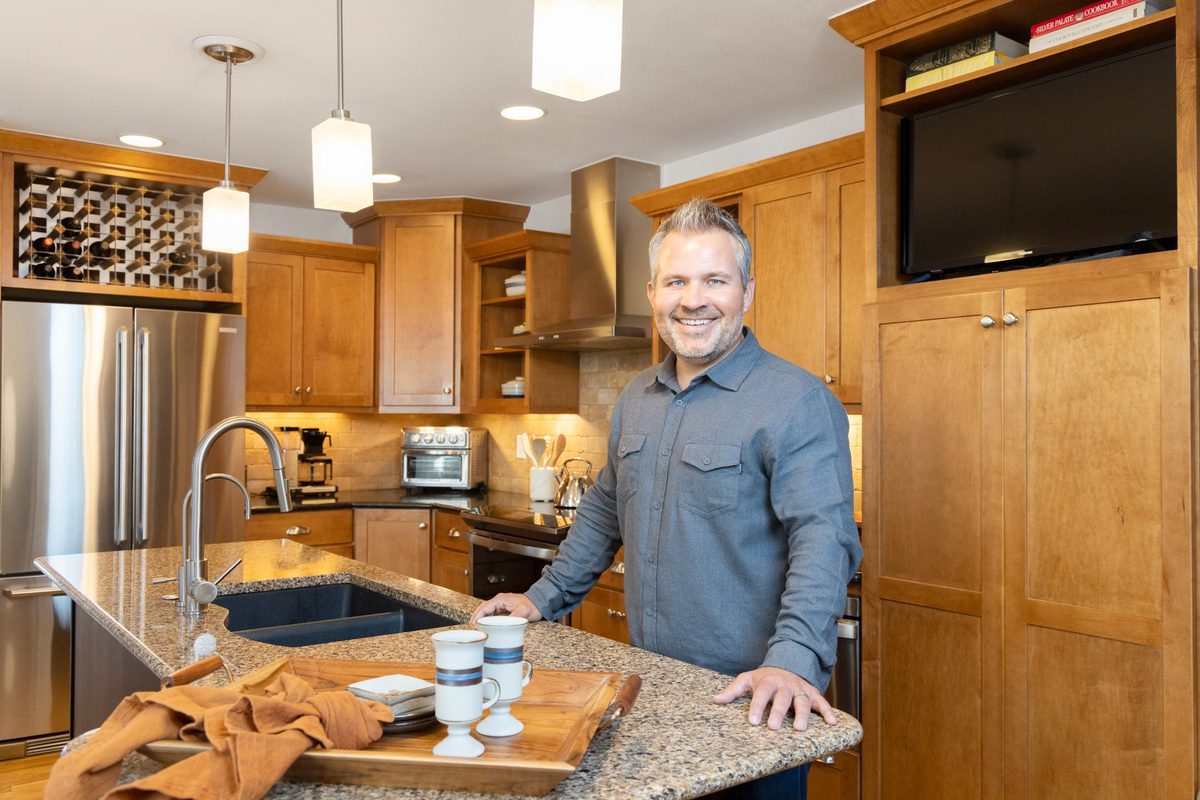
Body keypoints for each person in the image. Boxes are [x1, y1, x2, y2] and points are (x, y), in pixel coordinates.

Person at [471, 197, 862, 799]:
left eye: (715, 280)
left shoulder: (797, 401)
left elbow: (824, 541)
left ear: (747, 292)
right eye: (676, 281)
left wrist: (791, 661)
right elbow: (606, 507)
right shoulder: (637, 397)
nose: (693, 299)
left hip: (752, 696)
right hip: (652, 683)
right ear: (653, 293)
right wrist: (540, 598)